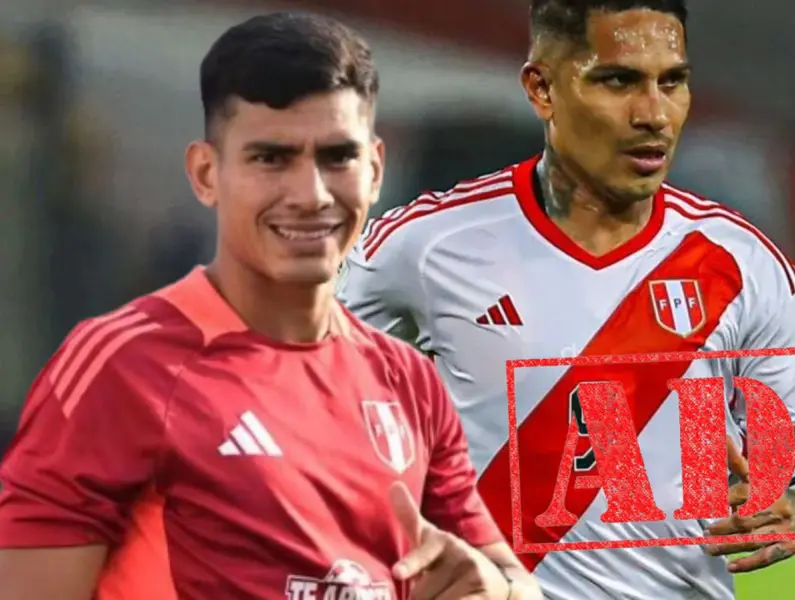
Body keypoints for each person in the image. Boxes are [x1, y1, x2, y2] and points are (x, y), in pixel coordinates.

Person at [0, 12, 541, 600]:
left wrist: (497, 587)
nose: (310, 195)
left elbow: (507, 576)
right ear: (207, 174)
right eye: (271, 159)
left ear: (377, 170)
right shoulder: (122, 366)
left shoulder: (407, 380)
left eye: (337, 157)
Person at [338, 1, 795, 598]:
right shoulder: (420, 248)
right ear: (541, 88)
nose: (654, 114)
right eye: (618, 81)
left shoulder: (746, 266)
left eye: (673, 82)